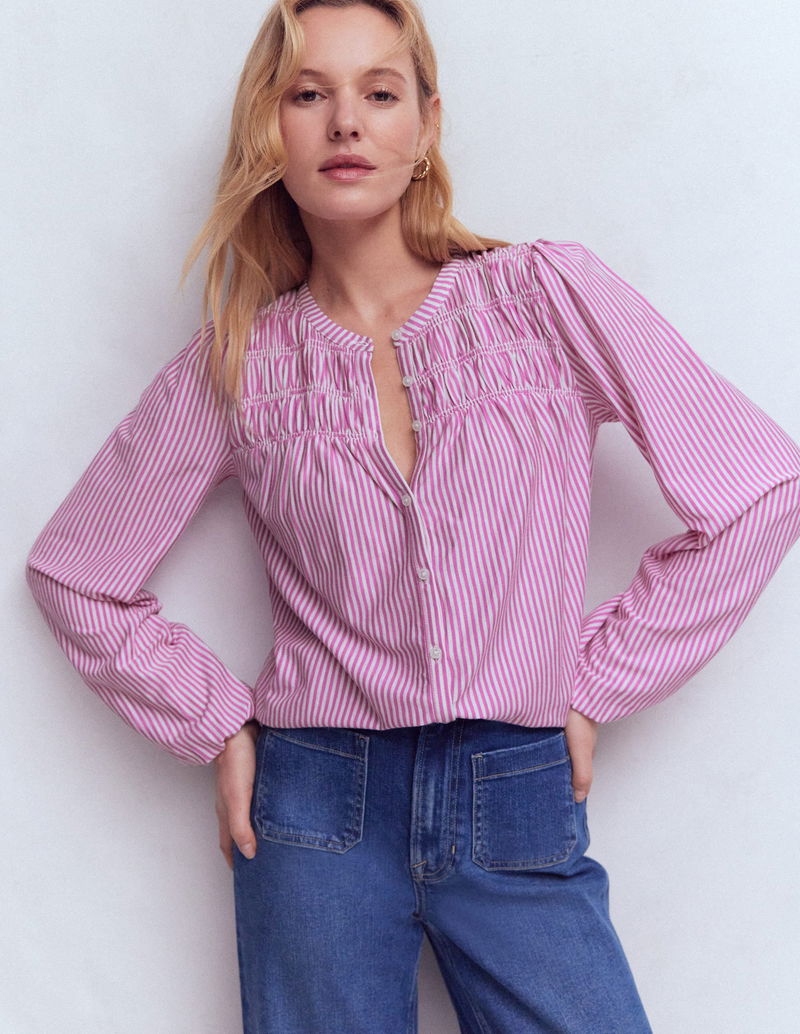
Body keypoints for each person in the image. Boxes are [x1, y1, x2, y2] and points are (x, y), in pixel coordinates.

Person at [24, 1, 800, 1031]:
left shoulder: (545, 298)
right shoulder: (240, 361)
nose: (346, 122)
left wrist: (590, 683)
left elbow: (757, 487)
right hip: (315, 805)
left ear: (426, 123)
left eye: (380, 92)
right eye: (309, 94)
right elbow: (77, 571)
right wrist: (216, 725)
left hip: (514, 785)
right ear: (269, 130)